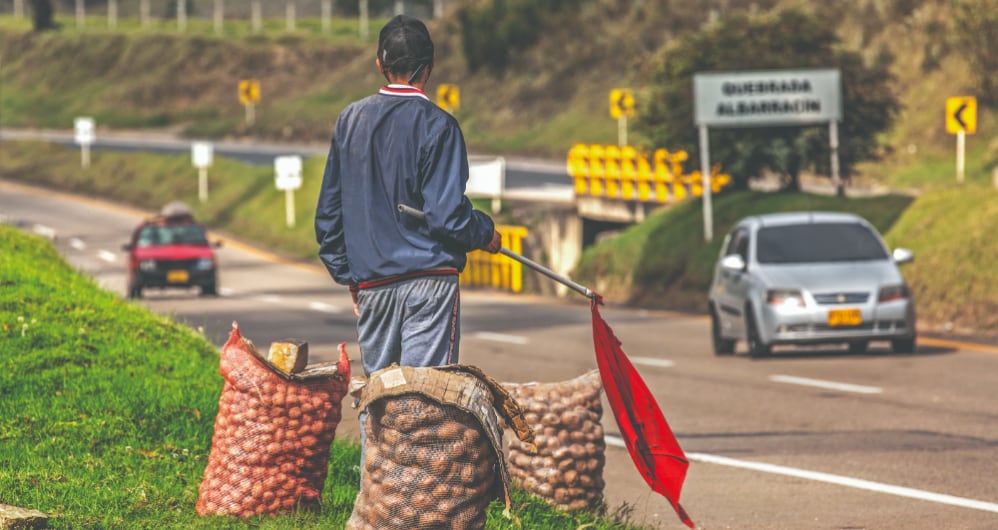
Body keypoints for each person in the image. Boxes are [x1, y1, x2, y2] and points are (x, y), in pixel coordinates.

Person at [314, 14, 502, 381]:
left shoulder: (350, 120)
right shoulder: (440, 126)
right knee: (424, 403)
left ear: (379, 64)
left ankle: (377, 443)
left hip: (373, 285)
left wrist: (352, 277)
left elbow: (329, 218)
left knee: (380, 401)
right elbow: (447, 218)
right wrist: (484, 231)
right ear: (431, 63)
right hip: (430, 286)